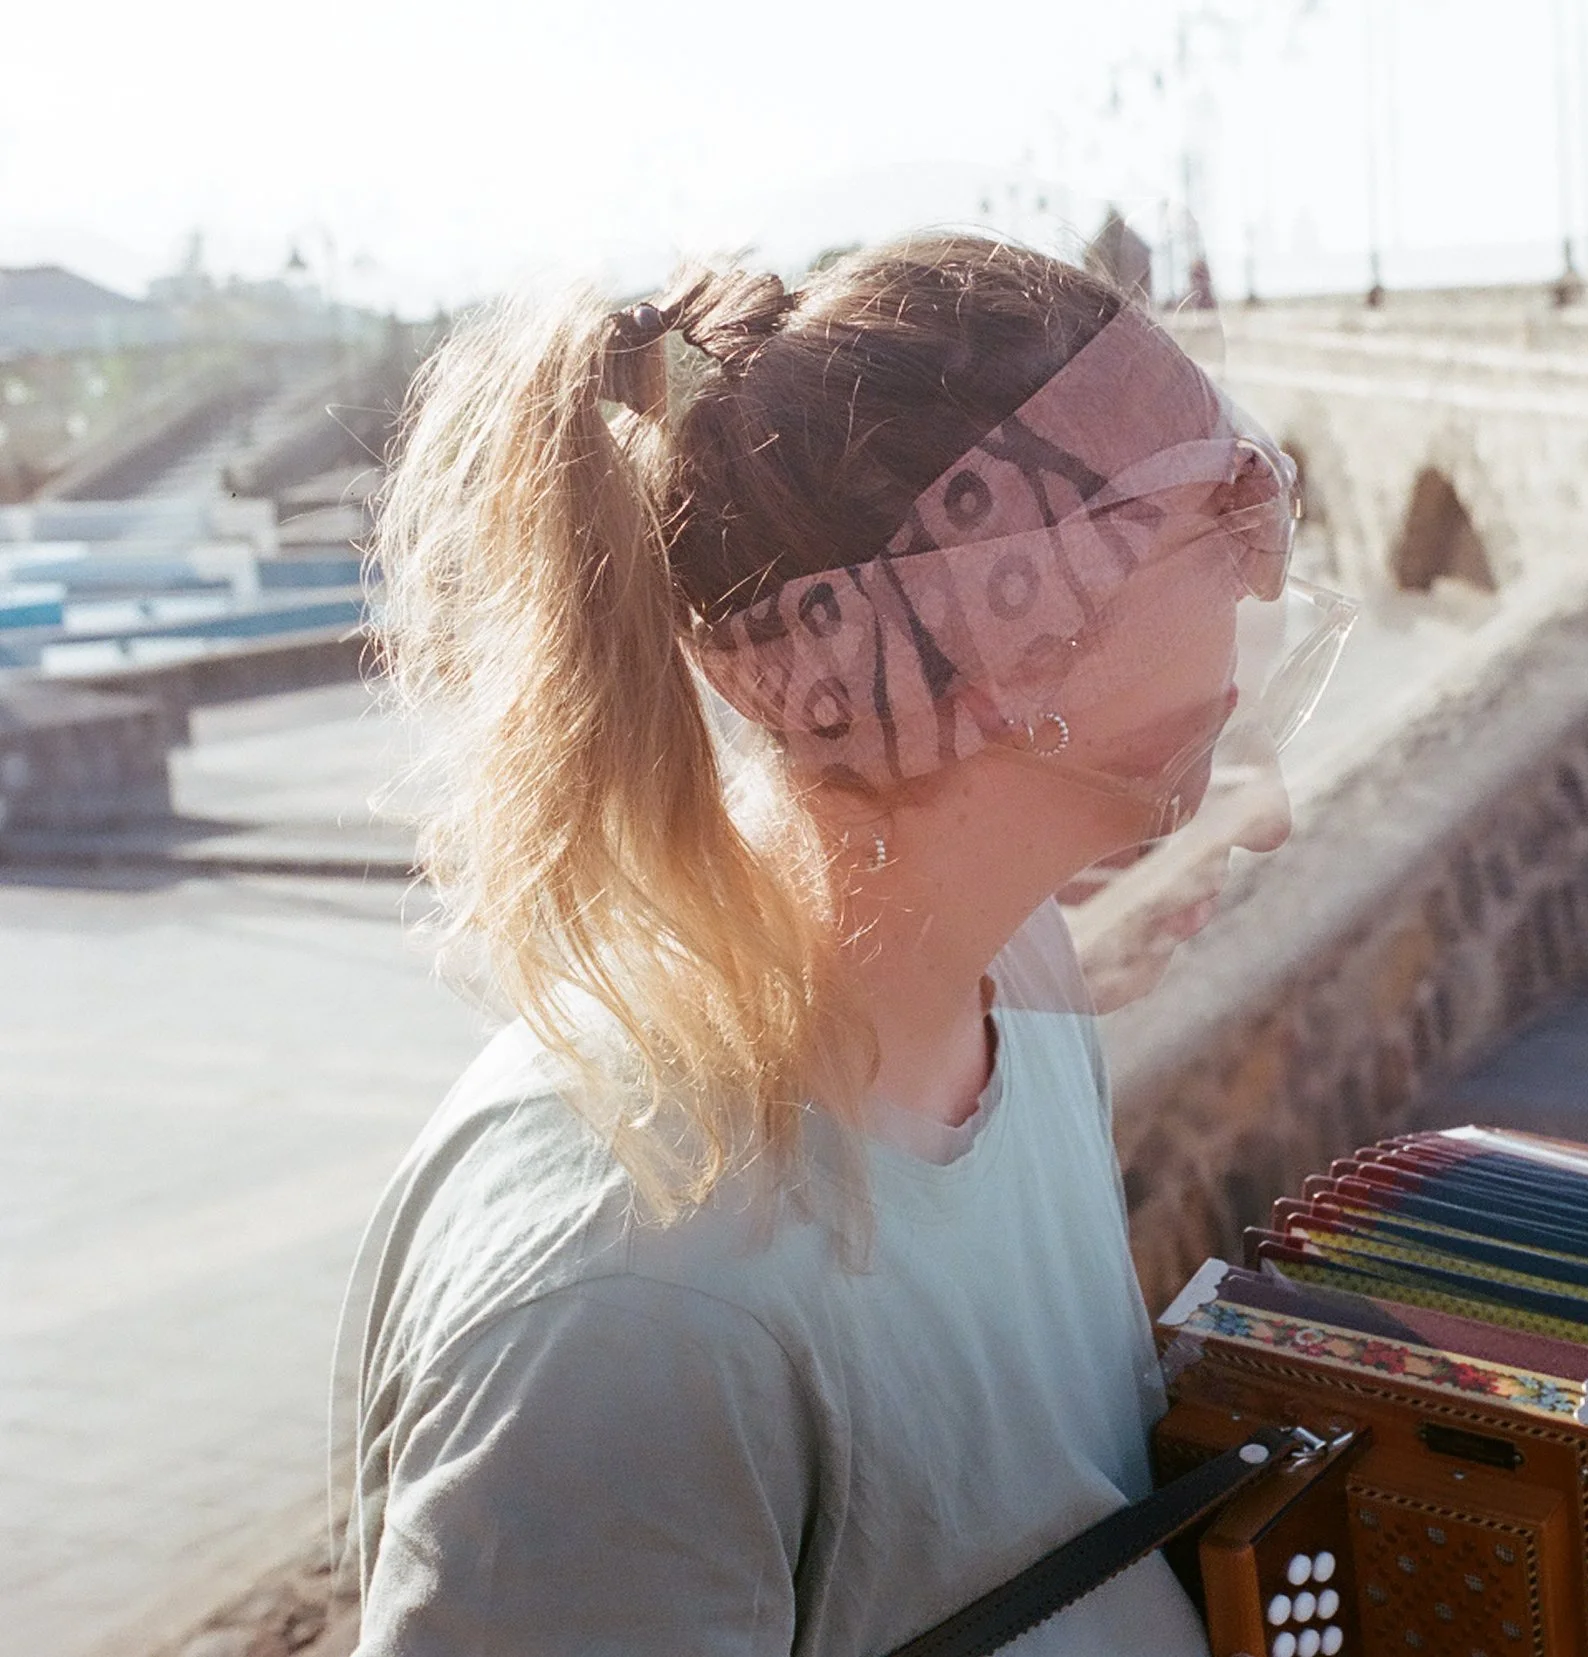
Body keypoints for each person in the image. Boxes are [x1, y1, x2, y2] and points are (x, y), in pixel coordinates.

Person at [332, 232, 1355, 1656]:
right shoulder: (628, 1310)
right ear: (996, 653)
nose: (1260, 574)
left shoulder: (1021, 988)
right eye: (1214, 516)